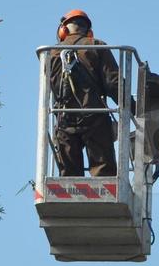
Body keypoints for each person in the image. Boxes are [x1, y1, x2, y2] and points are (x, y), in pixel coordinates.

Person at [47, 9, 121, 177]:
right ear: (89, 32)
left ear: (63, 30)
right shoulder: (96, 46)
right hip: (94, 117)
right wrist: (131, 107)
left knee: (69, 177)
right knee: (104, 174)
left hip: (64, 119)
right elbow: (113, 83)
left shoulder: (51, 52)